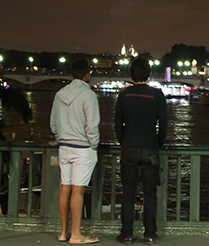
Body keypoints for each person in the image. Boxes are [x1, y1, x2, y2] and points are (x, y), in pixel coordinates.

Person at [113, 58, 167, 245]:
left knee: (128, 192)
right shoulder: (157, 95)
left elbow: (117, 125)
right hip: (149, 147)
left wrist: (124, 142)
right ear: (148, 74)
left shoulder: (124, 95)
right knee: (150, 193)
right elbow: (164, 126)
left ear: (131, 74)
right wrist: (157, 144)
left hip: (129, 147)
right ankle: (150, 234)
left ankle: (126, 234)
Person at [51, 58, 101, 244]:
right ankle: (76, 234)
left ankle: (63, 232)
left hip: (64, 147)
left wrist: (60, 138)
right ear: (87, 75)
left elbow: (53, 123)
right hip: (82, 148)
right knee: (78, 191)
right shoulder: (88, 95)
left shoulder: (60, 94)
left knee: (65, 188)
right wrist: (94, 144)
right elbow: (92, 125)